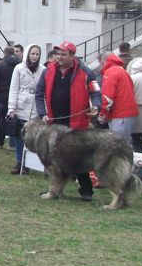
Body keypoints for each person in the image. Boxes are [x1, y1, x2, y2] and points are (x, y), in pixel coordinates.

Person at [34, 40, 102, 201]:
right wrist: (42, 113)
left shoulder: (86, 72)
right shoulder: (48, 71)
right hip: (55, 124)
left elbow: (96, 93)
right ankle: (54, 189)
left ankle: (86, 190)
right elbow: (39, 94)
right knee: (54, 159)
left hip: (77, 124)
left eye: (63, 54)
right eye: (57, 54)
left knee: (79, 158)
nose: (59, 57)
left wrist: (96, 107)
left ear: (72, 56)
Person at [7, 45, 42, 174]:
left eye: (37, 54)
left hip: (36, 106)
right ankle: (20, 163)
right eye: (32, 54)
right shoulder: (19, 68)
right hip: (21, 105)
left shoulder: (42, 70)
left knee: (34, 137)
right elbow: (14, 88)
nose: (34, 57)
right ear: (28, 54)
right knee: (20, 136)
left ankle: (34, 163)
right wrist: (11, 107)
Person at [99, 52, 139, 145]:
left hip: (120, 113)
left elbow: (108, 97)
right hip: (127, 112)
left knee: (117, 144)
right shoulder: (121, 70)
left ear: (102, 61)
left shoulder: (111, 72)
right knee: (124, 142)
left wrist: (102, 113)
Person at [0, 47, 21, 149]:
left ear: (4, 53)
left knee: (1, 119)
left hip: (2, 95)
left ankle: (0, 142)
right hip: (16, 96)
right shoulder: (20, 65)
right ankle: (12, 144)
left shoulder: (0, 64)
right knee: (14, 120)